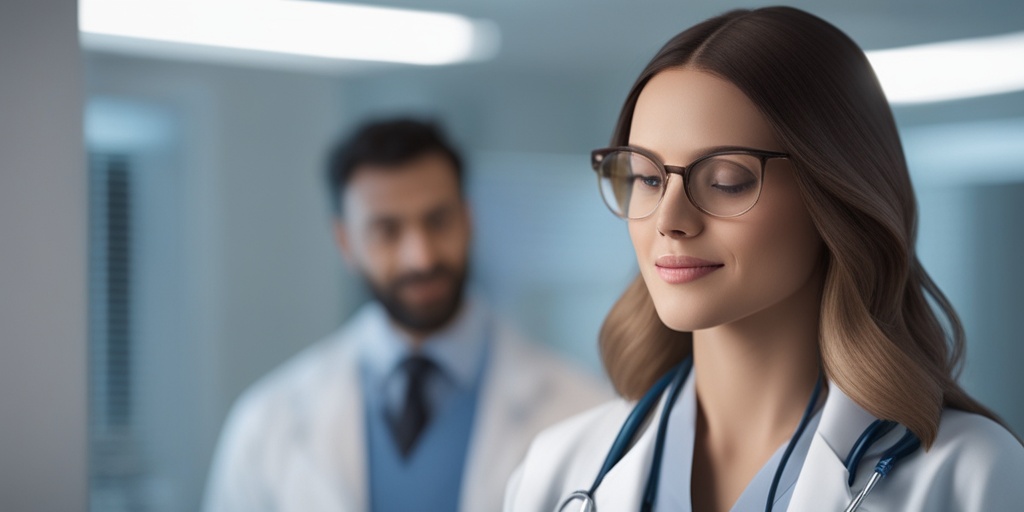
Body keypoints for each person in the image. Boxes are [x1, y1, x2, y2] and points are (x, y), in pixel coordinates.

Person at [504, 7, 1024, 512]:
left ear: (835, 198)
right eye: (648, 178)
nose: (669, 219)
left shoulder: (973, 475)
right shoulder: (558, 470)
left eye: (727, 180)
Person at [203, 118, 610, 512]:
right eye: (387, 231)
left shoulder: (580, 409)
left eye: (437, 221)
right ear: (345, 242)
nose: (421, 256)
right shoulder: (268, 423)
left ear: (468, 221)